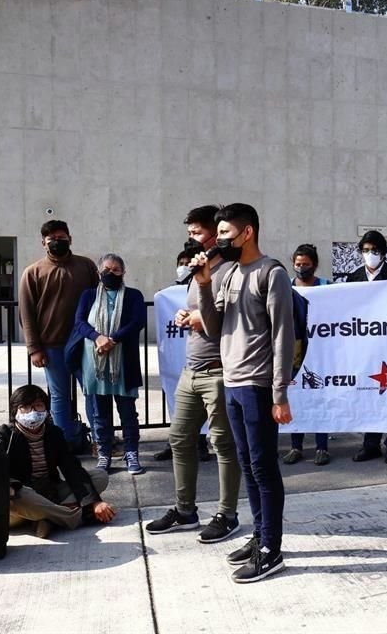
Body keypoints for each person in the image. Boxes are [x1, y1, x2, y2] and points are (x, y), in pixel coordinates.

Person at [194, 202, 295, 583]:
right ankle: (260, 536)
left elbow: (283, 335)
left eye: (225, 234)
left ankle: (272, 549)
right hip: (232, 380)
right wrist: (204, 284)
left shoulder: (272, 273)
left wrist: (279, 393)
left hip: (257, 384)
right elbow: (212, 326)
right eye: (218, 234)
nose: (218, 240)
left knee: (264, 467)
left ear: (247, 232)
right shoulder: (231, 273)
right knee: (248, 466)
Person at [148, 205, 245, 544]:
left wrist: (197, 319)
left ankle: (227, 514)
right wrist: (185, 315)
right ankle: (185, 510)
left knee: (222, 443)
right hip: (192, 370)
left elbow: (228, 318)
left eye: (197, 233)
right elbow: (198, 308)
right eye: (189, 233)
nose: (192, 240)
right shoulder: (197, 272)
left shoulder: (232, 272)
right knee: (179, 438)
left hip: (219, 372)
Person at [0, 385, 116, 539]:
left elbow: (72, 468)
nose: (32, 412)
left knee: (100, 476)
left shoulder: (53, 433)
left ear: (46, 409)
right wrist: (90, 507)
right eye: (25, 407)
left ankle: (47, 518)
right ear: (15, 411)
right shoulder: (3, 436)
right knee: (20, 491)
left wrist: (95, 502)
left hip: (49, 492)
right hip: (20, 504)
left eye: (38, 406)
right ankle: (75, 516)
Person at [19, 220, 99, 452]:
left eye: (61, 237)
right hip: (52, 346)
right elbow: (26, 313)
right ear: (43, 243)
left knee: (93, 393)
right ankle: (64, 446)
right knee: (59, 397)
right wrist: (34, 348)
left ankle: (99, 441)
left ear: (70, 238)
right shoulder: (32, 272)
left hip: (86, 343)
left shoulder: (86, 266)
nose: (57, 241)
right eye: (51, 238)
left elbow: (101, 301)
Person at [68, 254, 146, 475]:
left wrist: (113, 340)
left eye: (116, 270)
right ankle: (104, 453)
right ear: (98, 272)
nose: (111, 273)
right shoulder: (88, 295)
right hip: (94, 362)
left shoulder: (133, 295)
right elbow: (79, 322)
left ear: (123, 273)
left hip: (123, 362)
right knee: (99, 413)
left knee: (128, 412)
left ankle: (131, 453)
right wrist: (97, 337)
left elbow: (137, 321)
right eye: (107, 269)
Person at [346, 230, 387, 465]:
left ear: (383, 252)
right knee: (369, 396)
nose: (369, 255)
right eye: (365, 250)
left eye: (374, 250)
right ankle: (370, 444)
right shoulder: (354, 278)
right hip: (365, 348)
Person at [153, 247, 213, 464]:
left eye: (189, 262)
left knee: (202, 404)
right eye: (182, 262)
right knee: (176, 401)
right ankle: (174, 443)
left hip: (200, 356)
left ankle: (201, 444)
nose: (185, 266)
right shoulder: (167, 294)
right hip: (175, 357)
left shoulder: (205, 286)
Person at [283, 243, 332, 466]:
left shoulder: (327, 287)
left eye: (306, 265)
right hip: (294, 350)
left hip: (321, 349)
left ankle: (322, 447)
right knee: (296, 397)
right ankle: (296, 446)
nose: (302, 268)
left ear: (315, 265)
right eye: (298, 264)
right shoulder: (286, 287)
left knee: (319, 397)